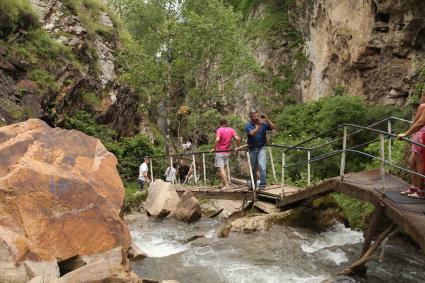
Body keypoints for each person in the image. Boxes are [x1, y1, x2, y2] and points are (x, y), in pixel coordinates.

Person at [398, 91, 425, 199]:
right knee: (411, 162)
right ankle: (414, 187)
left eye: (423, 94)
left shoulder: (423, 106)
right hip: (419, 136)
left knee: (420, 165)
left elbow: (419, 123)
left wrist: (406, 134)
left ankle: (421, 192)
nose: (421, 96)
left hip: (422, 137)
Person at [244, 109, 275, 190]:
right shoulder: (248, 125)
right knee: (253, 168)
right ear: (251, 117)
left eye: (257, 115)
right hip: (252, 148)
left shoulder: (263, 124)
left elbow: (273, 127)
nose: (257, 117)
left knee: (262, 166)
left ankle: (262, 185)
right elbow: (252, 133)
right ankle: (253, 185)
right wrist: (259, 126)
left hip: (261, 147)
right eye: (255, 116)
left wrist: (267, 119)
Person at [213, 118, 240, 189]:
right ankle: (222, 184)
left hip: (220, 152)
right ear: (226, 122)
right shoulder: (231, 130)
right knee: (224, 168)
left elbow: (217, 139)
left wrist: (214, 148)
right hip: (227, 152)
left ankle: (227, 185)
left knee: (221, 168)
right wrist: (238, 146)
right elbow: (237, 138)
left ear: (220, 123)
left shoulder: (219, 130)